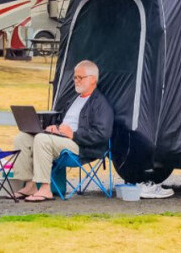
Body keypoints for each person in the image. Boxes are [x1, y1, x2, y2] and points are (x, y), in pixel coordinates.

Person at [12, 60, 114, 202]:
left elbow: (102, 135)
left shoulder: (101, 104)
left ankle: (45, 188)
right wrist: (55, 128)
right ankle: (30, 184)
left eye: (80, 77)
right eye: (75, 77)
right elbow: (65, 123)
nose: (76, 81)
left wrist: (74, 135)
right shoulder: (73, 99)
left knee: (42, 139)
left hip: (81, 147)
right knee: (22, 138)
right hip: (61, 140)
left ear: (93, 79)